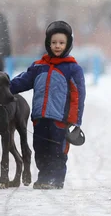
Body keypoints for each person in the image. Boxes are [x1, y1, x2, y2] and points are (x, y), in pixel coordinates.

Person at [9, 21, 85, 189]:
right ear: (48, 44)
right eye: (54, 42)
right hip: (40, 118)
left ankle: (56, 180)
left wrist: (75, 121)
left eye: (61, 43)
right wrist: (5, 87)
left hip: (60, 120)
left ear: (68, 45)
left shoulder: (73, 69)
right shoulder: (38, 67)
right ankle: (44, 177)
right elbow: (22, 81)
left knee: (58, 151)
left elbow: (78, 97)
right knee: (41, 149)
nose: (57, 46)